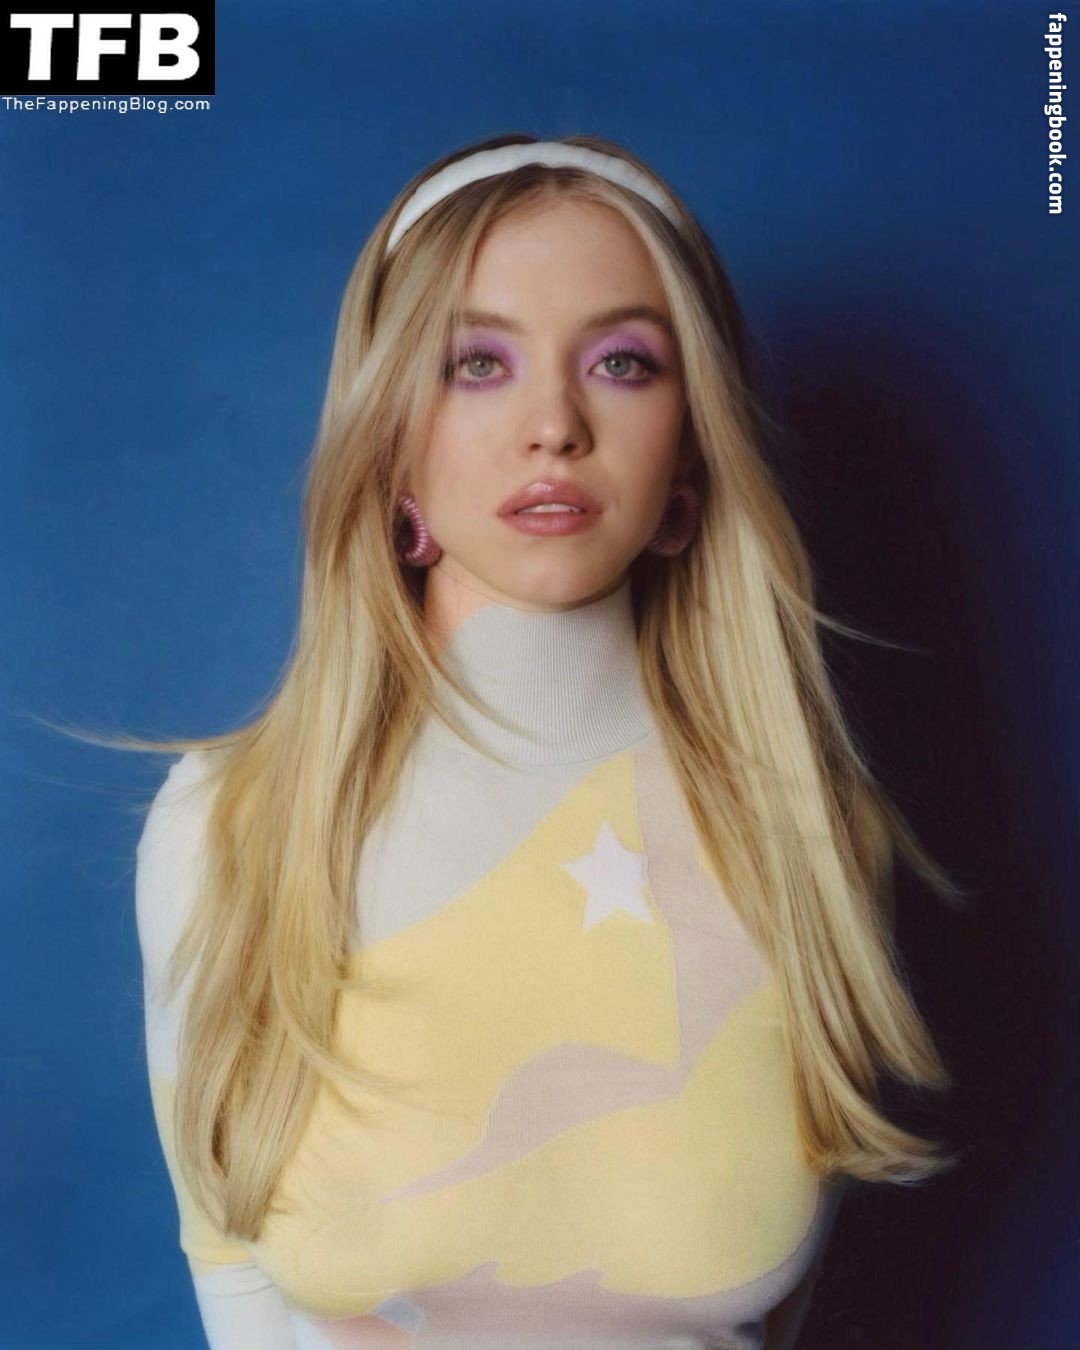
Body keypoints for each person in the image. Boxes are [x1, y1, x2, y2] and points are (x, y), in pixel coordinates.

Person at [128, 133, 965, 1348]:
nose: (554, 425)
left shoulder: (813, 843)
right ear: (390, 447)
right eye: (477, 363)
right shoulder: (228, 831)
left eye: (623, 362)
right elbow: (232, 1282)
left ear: (690, 459)